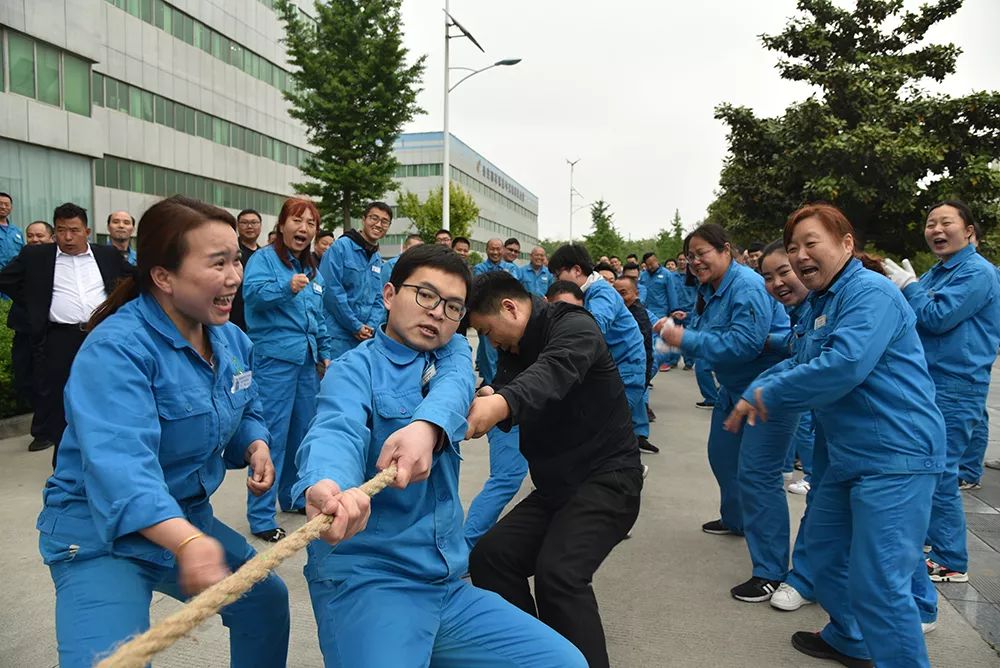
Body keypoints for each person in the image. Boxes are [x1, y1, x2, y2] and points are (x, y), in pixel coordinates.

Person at [35, 195, 340, 668]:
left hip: (186, 519)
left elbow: (247, 407)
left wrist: (255, 442)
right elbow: (122, 470)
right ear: (163, 276)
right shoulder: (116, 351)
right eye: (218, 263)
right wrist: (187, 542)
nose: (235, 277)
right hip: (100, 535)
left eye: (237, 259)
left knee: (263, 601)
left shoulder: (232, 339)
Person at [292, 244, 584, 667]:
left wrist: (425, 428)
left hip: (445, 583)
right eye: (424, 295)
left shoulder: (450, 356)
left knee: (562, 662)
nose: (436, 313)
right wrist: (327, 485)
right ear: (390, 295)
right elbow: (334, 429)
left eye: (452, 307)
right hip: (372, 582)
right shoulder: (353, 370)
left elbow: (455, 378)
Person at [726, 203, 945, 668]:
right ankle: (852, 640)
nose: (801, 255)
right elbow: (801, 359)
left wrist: (768, 392)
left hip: (896, 455)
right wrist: (760, 386)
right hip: (849, 456)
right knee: (823, 558)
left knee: (881, 586)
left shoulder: (871, 293)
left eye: (811, 243)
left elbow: (843, 366)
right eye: (793, 247)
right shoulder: (820, 303)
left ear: (846, 244)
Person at [466, 271, 642, 668]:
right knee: (491, 558)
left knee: (559, 574)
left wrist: (500, 404)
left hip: (607, 480)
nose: (489, 341)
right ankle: (537, 657)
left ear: (510, 308)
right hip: (555, 490)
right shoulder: (514, 349)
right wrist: (485, 397)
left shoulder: (574, 327)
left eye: (487, 330)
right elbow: (504, 385)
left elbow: (551, 373)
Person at [658, 223, 796, 602]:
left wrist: (684, 339)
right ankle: (736, 520)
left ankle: (770, 571)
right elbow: (716, 332)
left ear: (726, 250)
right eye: (691, 256)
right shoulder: (712, 288)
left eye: (703, 252)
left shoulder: (747, 285)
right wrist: (685, 328)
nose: (696, 261)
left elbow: (745, 344)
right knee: (721, 457)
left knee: (759, 476)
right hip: (732, 390)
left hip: (766, 392)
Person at [882, 199, 1000, 583]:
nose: (935, 230)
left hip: (955, 384)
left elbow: (934, 317)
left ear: (969, 231)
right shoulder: (940, 271)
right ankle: (935, 542)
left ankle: (951, 559)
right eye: (930, 223)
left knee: (941, 469)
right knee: (928, 465)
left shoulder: (978, 273)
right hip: (930, 381)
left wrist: (911, 288)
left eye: (945, 222)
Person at [0, 203, 134, 459]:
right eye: (61, 230)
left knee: (107, 394)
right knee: (60, 401)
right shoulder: (36, 257)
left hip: (102, 336)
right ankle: (65, 464)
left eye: (74, 230)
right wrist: (35, 302)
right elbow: (6, 279)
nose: (68, 237)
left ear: (88, 231)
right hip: (59, 339)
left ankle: (106, 456)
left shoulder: (106, 255)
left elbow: (135, 281)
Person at [243, 198, 332, 542]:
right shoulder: (264, 259)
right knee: (272, 437)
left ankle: (292, 496)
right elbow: (250, 295)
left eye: (311, 223)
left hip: (306, 361)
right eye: (298, 221)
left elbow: (317, 314)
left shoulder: (310, 266)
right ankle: (262, 516)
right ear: (281, 225)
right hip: (274, 360)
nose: (304, 229)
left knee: (302, 434)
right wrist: (285, 287)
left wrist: (324, 352)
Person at [756, 240, 820, 612]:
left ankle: (922, 605)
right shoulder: (808, 307)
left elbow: (830, 360)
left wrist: (758, 390)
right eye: (769, 276)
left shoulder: (859, 295)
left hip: (878, 433)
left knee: (880, 530)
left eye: (785, 271)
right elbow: (801, 346)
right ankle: (806, 579)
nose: (778, 282)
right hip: (838, 423)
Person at [548, 245, 656, 455]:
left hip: (626, 374)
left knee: (598, 431)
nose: (556, 281)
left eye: (558, 274)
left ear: (577, 270)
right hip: (612, 372)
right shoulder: (587, 292)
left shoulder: (601, 293)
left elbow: (592, 329)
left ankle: (626, 472)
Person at [319, 202, 389, 358]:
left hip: (364, 339)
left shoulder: (377, 258)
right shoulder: (340, 247)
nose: (378, 224)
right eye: (374, 218)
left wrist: (370, 327)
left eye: (384, 221)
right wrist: (355, 325)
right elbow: (331, 291)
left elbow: (378, 298)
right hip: (338, 336)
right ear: (363, 220)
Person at [7, 221, 54, 447]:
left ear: (51, 238)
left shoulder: (59, 259)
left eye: (40, 236)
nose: (35, 240)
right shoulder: (25, 257)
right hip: (25, 327)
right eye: (30, 235)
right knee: (25, 378)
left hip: (51, 331)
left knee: (46, 380)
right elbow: (5, 280)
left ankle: (43, 432)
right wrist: (30, 299)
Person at [473, 238, 519, 384]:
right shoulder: (479, 268)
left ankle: (501, 382)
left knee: (505, 351)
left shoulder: (511, 268)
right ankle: (490, 384)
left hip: (506, 317)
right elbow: (481, 290)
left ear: (503, 250)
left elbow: (513, 289)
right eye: (492, 249)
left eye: (498, 249)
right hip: (487, 317)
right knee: (488, 353)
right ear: (487, 250)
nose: (495, 252)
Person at [639, 251, 679, 371]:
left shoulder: (666, 274)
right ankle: (651, 360)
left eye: (653, 263)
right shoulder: (643, 276)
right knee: (649, 337)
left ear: (657, 261)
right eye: (648, 264)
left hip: (662, 311)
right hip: (647, 311)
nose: (651, 266)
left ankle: (665, 361)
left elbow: (672, 293)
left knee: (663, 336)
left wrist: (674, 310)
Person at [230, 208, 263, 332]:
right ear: (238, 226)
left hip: (256, 317)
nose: (249, 226)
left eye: (254, 223)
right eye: (244, 223)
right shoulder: (232, 250)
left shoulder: (264, 255)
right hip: (233, 312)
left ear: (260, 226)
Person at [0, 191, 23, 272]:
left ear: (11, 208)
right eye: (0, 203)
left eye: (7, 204)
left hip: (14, 276)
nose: (3, 207)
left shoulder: (17, 231)